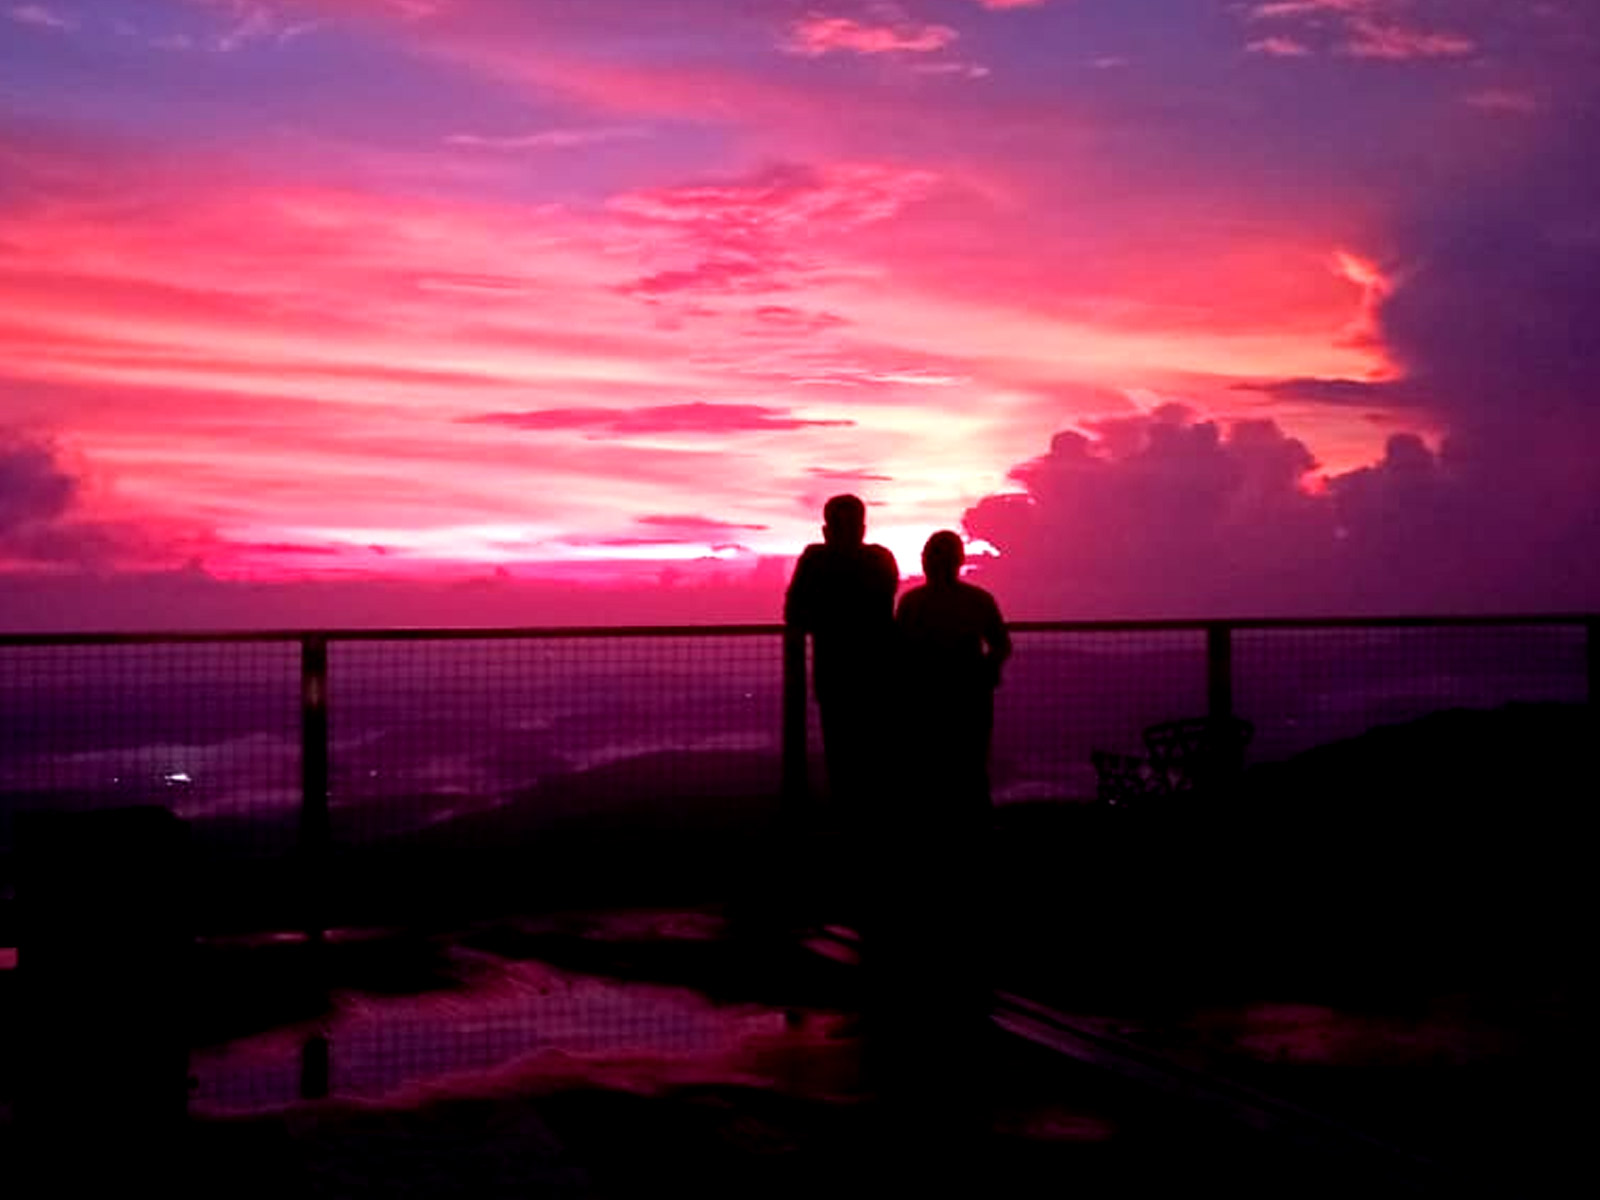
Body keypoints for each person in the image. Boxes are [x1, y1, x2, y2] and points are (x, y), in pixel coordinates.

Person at [783, 494, 900, 811]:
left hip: (838, 674)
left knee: (844, 758)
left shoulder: (815, 560)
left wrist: (826, 612)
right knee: (875, 758)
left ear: (826, 529)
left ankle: (850, 822)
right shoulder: (880, 560)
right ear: (863, 528)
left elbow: (795, 613)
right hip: (876, 675)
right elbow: (879, 608)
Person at [894, 530, 1011, 815]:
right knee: (968, 771)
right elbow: (1001, 646)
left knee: (931, 772)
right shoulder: (978, 600)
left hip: (929, 700)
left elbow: (897, 653)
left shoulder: (912, 603)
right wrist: (985, 670)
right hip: (964, 699)